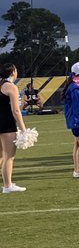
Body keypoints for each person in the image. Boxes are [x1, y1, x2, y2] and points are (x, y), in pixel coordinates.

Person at [1, 62, 28, 193]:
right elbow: (16, 111)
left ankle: (7, 184)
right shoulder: (11, 87)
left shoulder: (1, 85)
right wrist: (23, 129)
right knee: (9, 156)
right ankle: (7, 186)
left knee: (1, 156)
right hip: (7, 125)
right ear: (12, 72)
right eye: (16, 70)